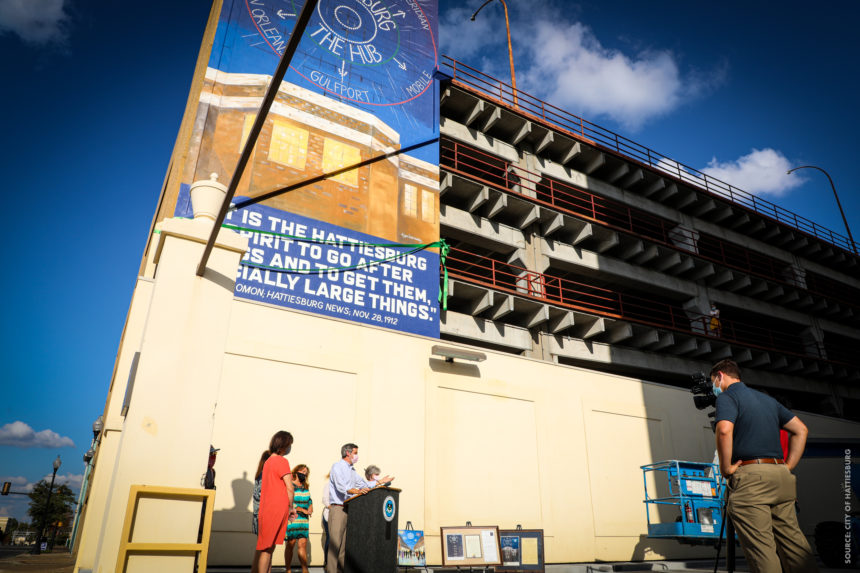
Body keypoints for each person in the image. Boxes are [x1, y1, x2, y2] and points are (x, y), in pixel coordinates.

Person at [711, 359, 818, 573]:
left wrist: (726, 468)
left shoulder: (727, 396)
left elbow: (724, 430)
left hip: (752, 479)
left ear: (720, 376)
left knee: (762, 550)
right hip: (780, 475)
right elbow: (801, 430)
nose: (713, 386)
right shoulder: (767, 400)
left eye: (712, 381)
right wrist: (787, 467)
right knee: (795, 546)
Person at [325, 443, 393, 573]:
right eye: (355, 453)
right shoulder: (337, 466)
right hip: (338, 509)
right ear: (348, 453)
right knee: (335, 545)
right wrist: (356, 491)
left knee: (343, 547)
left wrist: (380, 481)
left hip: (350, 509)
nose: (357, 456)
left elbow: (364, 484)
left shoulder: (352, 470)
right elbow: (341, 486)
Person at [252, 431, 297, 573]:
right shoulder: (281, 461)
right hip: (277, 507)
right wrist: (291, 507)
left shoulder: (268, 462)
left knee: (264, 547)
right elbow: (289, 487)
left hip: (266, 507)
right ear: (284, 445)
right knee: (268, 549)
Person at [284, 465, 313, 573]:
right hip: (293, 518)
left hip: (304, 520)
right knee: (291, 544)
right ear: (296, 472)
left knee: (303, 544)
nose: (304, 474)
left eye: (306, 472)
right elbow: (287, 500)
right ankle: (288, 569)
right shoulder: (290, 485)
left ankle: (305, 570)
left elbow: (309, 499)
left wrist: (310, 506)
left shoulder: (305, 486)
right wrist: (301, 509)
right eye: (302, 471)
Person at [321, 473, 330, 567]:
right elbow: (325, 499)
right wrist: (334, 508)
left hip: (341, 514)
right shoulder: (329, 485)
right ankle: (327, 561)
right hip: (329, 515)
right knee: (330, 538)